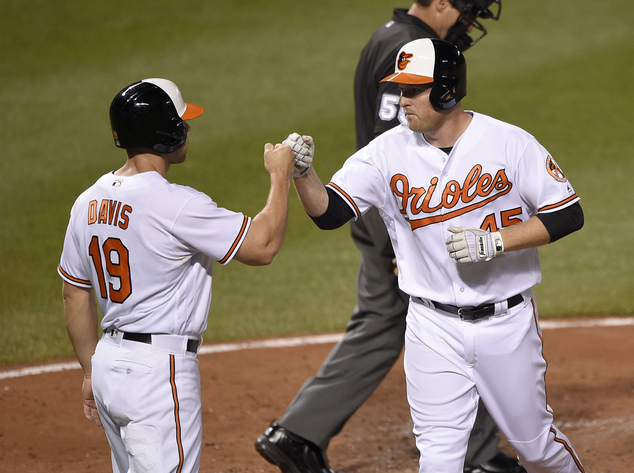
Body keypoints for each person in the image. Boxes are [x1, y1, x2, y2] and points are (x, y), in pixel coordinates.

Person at [286, 38, 586, 473]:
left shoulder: (510, 143)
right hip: (431, 327)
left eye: (412, 90)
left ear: (446, 90)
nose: (401, 99)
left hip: (507, 326)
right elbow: (330, 212)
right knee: (439, 459)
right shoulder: (386, 153)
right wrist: (303, 174)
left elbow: (568, 214)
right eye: (401, 89)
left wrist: (497, 241)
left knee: (537, 449)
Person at [255, 1, 524, 472]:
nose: (470, 19)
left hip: (388, 210)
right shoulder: (411, 48)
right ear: (440, 3)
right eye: (466, 8)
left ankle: (299, 431)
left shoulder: (390, 35)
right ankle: (476, 456)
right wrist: (403, 241)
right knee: (456, 312)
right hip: (401, 216)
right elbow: (399, 146)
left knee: (391, 319)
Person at [58, 78, 295, 473]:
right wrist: (280, 177)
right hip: (157, 374)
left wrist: (89, 369)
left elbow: (74, 293)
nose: (188, 128)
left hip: (107, 368)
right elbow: (262, 245)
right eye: (181, 122)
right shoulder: (175, 203)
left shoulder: (88, 201)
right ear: (166, 133)